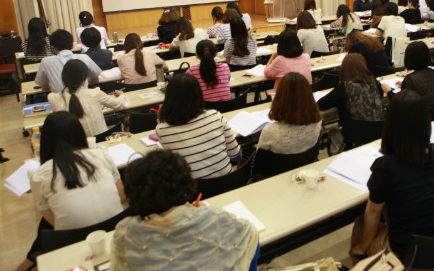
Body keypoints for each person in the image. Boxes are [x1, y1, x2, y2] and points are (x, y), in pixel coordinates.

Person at [111, 150, 259, 271]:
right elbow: (251, 239)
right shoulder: (214, 217)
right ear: (187, 183)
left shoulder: (125, 235)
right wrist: (200, 214)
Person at [350, 90, 434, 259]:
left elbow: (373, 212)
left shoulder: (386, 166)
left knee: (360, 225)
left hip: (411, 254)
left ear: (390, 125)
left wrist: (364, 246)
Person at [23, 112, 125, 270]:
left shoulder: (40, 175)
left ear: (46, 140)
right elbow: (122, 196)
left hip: (70, 240)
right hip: (116, 227)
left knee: (44, 226)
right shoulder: (101, 155)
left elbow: (52, 219)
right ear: (80, 134)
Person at [155, 73, 241, 179]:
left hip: (193, 187)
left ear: (168, 98)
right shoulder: (215, 116)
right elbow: (236, 155)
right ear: (199, 95)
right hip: (229, 182)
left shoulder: (162, 130)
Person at [48, 60, 128, 137]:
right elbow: (120, 105)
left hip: (74, 143)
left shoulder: (53, 98)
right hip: (101, 140)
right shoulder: (95, 93)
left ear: (63, 78)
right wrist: (122, 95)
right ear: (84, 79)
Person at [257, 72, 322, 154]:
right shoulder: (317, 122)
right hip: (307, 161)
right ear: (309, 94)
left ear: (279, 97)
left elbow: (260, 157)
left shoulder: (270, 131)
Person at [318, 53, 385, 125]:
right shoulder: (373, 80)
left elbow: (321, 105)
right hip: (380, 128)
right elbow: (380, 95)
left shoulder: (344, 86)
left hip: (354, 130)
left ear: (344, 68)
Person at [381, 41, 434, 109]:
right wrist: (405, 85)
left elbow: (401, 104)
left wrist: (388, 92)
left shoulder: (410, 80)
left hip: (423, 114)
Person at [34, 29, 102, 93]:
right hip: (82, 98)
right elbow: (95, 80)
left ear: (53, 48)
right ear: (72, 46)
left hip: (60, 100)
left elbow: (44, 87)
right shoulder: (84, 57)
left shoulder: (46, 61)